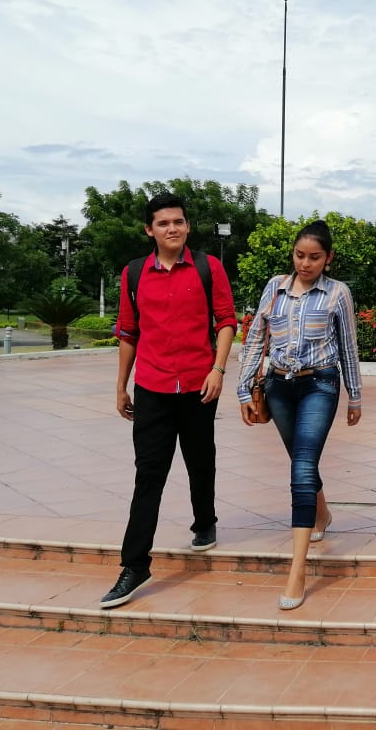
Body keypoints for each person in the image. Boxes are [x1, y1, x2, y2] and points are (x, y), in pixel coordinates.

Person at [102, 193, 237, 609]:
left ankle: (205, 522)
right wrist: (121, 385)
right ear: (150, 230)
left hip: (199, 384)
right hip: (153, 389)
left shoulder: (207, 267)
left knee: (201, 459)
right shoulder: (134, 274)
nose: (172, 229)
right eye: (163, 223)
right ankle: (135, 564)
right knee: (149, 475)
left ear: (187, 226)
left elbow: (227, 320)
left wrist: (218, 369)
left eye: (178, 222)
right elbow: (128, 332)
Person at [236, 220, 363, 610]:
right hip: (278, 387)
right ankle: (321, 515)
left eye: (315, 257)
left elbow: (347, 346)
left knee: (303, 467)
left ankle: (297, 570)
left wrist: (354, 396)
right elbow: (256, 336)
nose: (305, 264)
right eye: (300, 255)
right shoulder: (274, 287)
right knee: (299, 460)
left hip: (320, 385)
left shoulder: (337, 293)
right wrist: (244, 386)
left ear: (329, 258)